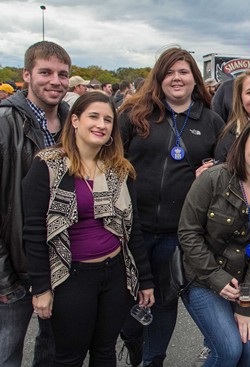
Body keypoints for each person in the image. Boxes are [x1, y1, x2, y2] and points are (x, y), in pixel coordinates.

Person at [22, 91, 155, 366]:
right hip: (72, 276)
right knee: (69, 356)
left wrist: (146, 280)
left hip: (115, 274)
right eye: (93, 116)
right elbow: (34, 232)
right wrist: (41, 288)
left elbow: (133, 229)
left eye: (108, 119)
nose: (102, 124)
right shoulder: (48, 166)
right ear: (74, 121)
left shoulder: (119, 170)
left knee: (105, 351)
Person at [118, 46, 224, 367]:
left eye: (184, 72)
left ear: (195, 79)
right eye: (170, 72)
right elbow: (110, 162)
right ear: (159, 77)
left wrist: (212, 172)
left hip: (175, 233)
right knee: (126, 298)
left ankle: (154, 359)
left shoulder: (211, 121)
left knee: (163, 301)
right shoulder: (134, 114)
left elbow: (225, 172)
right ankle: (132, 339)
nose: (176, 78)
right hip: (130, 228)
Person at [179, 115, 250, 367]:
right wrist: (217, 278)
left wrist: (247, 303)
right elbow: (188, 232)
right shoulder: (213, 178)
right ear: (243, 145)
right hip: (202, 278)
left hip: (244, 284)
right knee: (228, 350)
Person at [0, 40, 71, 367]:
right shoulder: (5, 124)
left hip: (62, 263)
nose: (55, 81)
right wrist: (3, 277)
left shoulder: (75, 124)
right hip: (15, 267)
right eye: (45, 72)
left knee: (53, 351)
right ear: (27, 75)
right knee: (7, 351)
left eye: (62, 74)